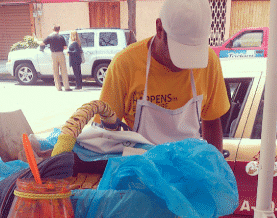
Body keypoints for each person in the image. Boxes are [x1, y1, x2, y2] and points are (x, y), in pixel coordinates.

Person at [94, 0, 230, 153]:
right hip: (143, 168)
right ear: (159, 28)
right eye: (180, 52)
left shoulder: (209, 62)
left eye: (193, 53)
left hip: (188, 166)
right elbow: (106, 132)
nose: (186, 64)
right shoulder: (125, 64)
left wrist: (213, 165)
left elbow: (211, 120)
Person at [40, 25, 72, 92]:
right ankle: (66, 87)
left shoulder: (50, 36)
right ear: (59, 29)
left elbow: (42, 43)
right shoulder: (61, 37)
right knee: (64, 70)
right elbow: (65, 47)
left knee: (55, 71)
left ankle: (58, 87)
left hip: (53, 54)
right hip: (60, 53)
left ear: (53, 29)